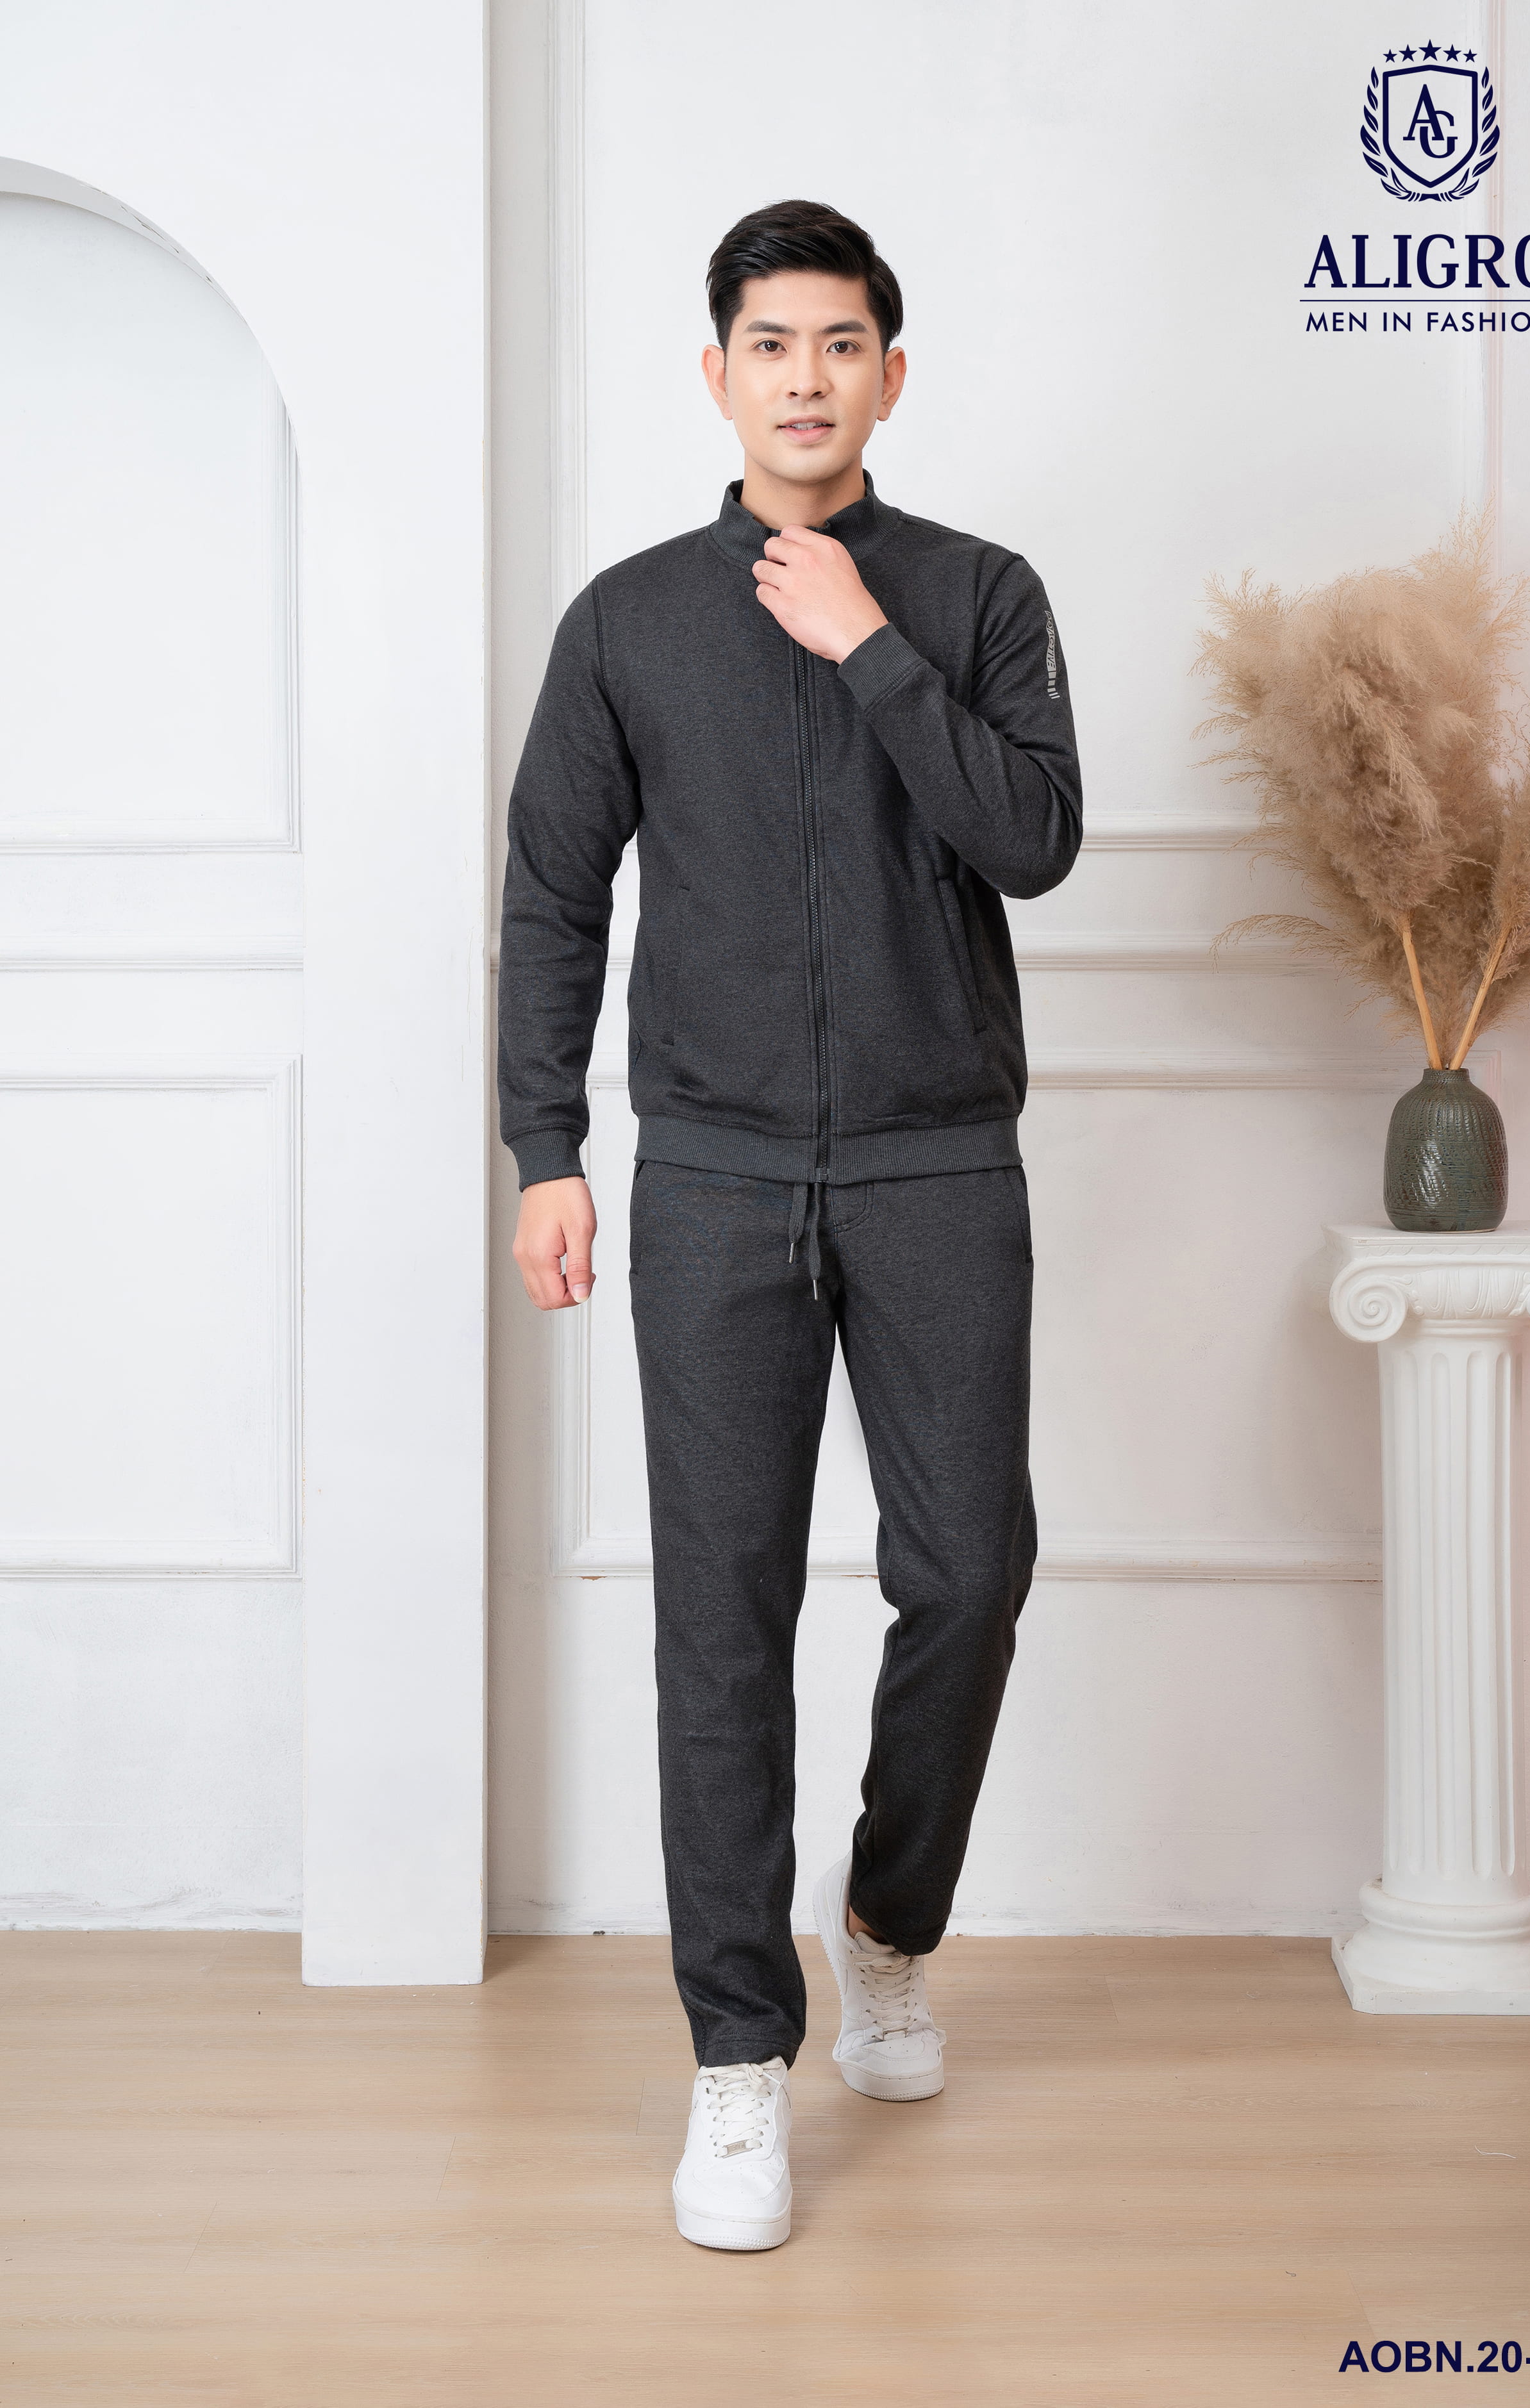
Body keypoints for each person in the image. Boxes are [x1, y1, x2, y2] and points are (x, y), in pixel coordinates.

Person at [499, 198, 1081, 2251]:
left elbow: (1032, 840)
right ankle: (736, 2062)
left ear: (888, 376)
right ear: (718, 374)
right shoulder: (628, 621)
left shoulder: (977, 596)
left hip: (939, 1169)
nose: (806, 376)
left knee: (972, 1574)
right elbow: (553, 893)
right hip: (717, 1177)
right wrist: (544, 1147)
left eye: (841, 343)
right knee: (719, 1620)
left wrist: (869, 648)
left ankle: (887, 1929)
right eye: (771, 343)